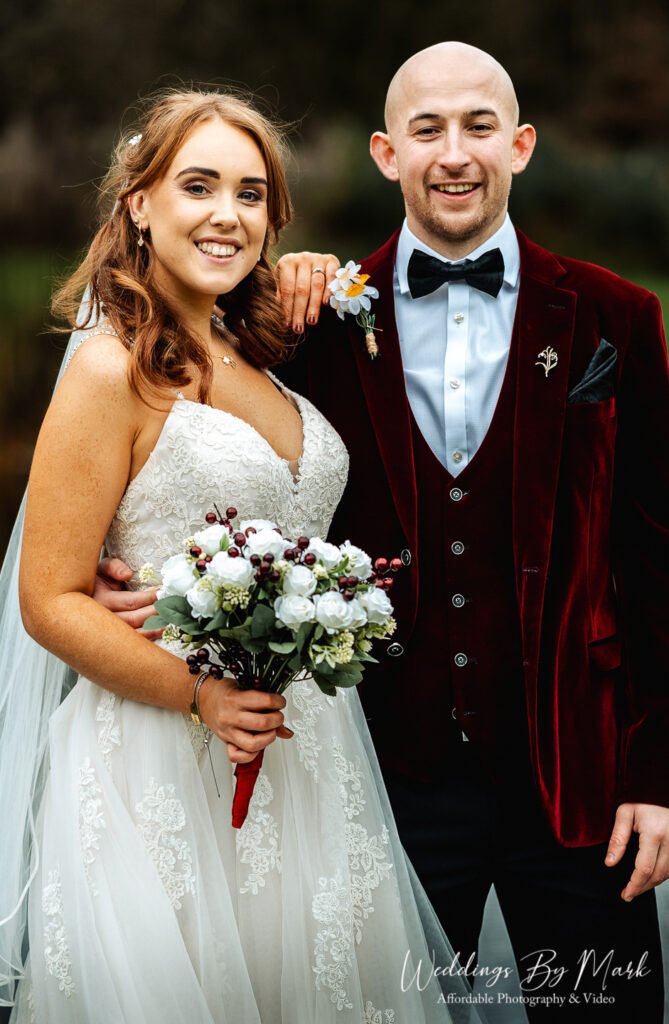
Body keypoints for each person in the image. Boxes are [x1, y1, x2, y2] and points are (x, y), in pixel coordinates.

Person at [94, 45, 669, 1019]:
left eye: (480, 126)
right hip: (380, 773)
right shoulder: (301, 320)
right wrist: (136, 574)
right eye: (427, 129)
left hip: (578, 777)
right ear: (385, 152)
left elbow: (653, 557)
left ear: (521, 144)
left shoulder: (618, 315)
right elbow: (195, 447)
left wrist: (657, 775)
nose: (455, 153)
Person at [0, 88, 480, 1023]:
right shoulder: (112, 367)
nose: (228, 215)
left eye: (252, 194)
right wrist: (199, 693)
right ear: (138, 203)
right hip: (162, 758)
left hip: (308, 755)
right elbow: (47, 598)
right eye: (199, 186)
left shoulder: (255, 347)